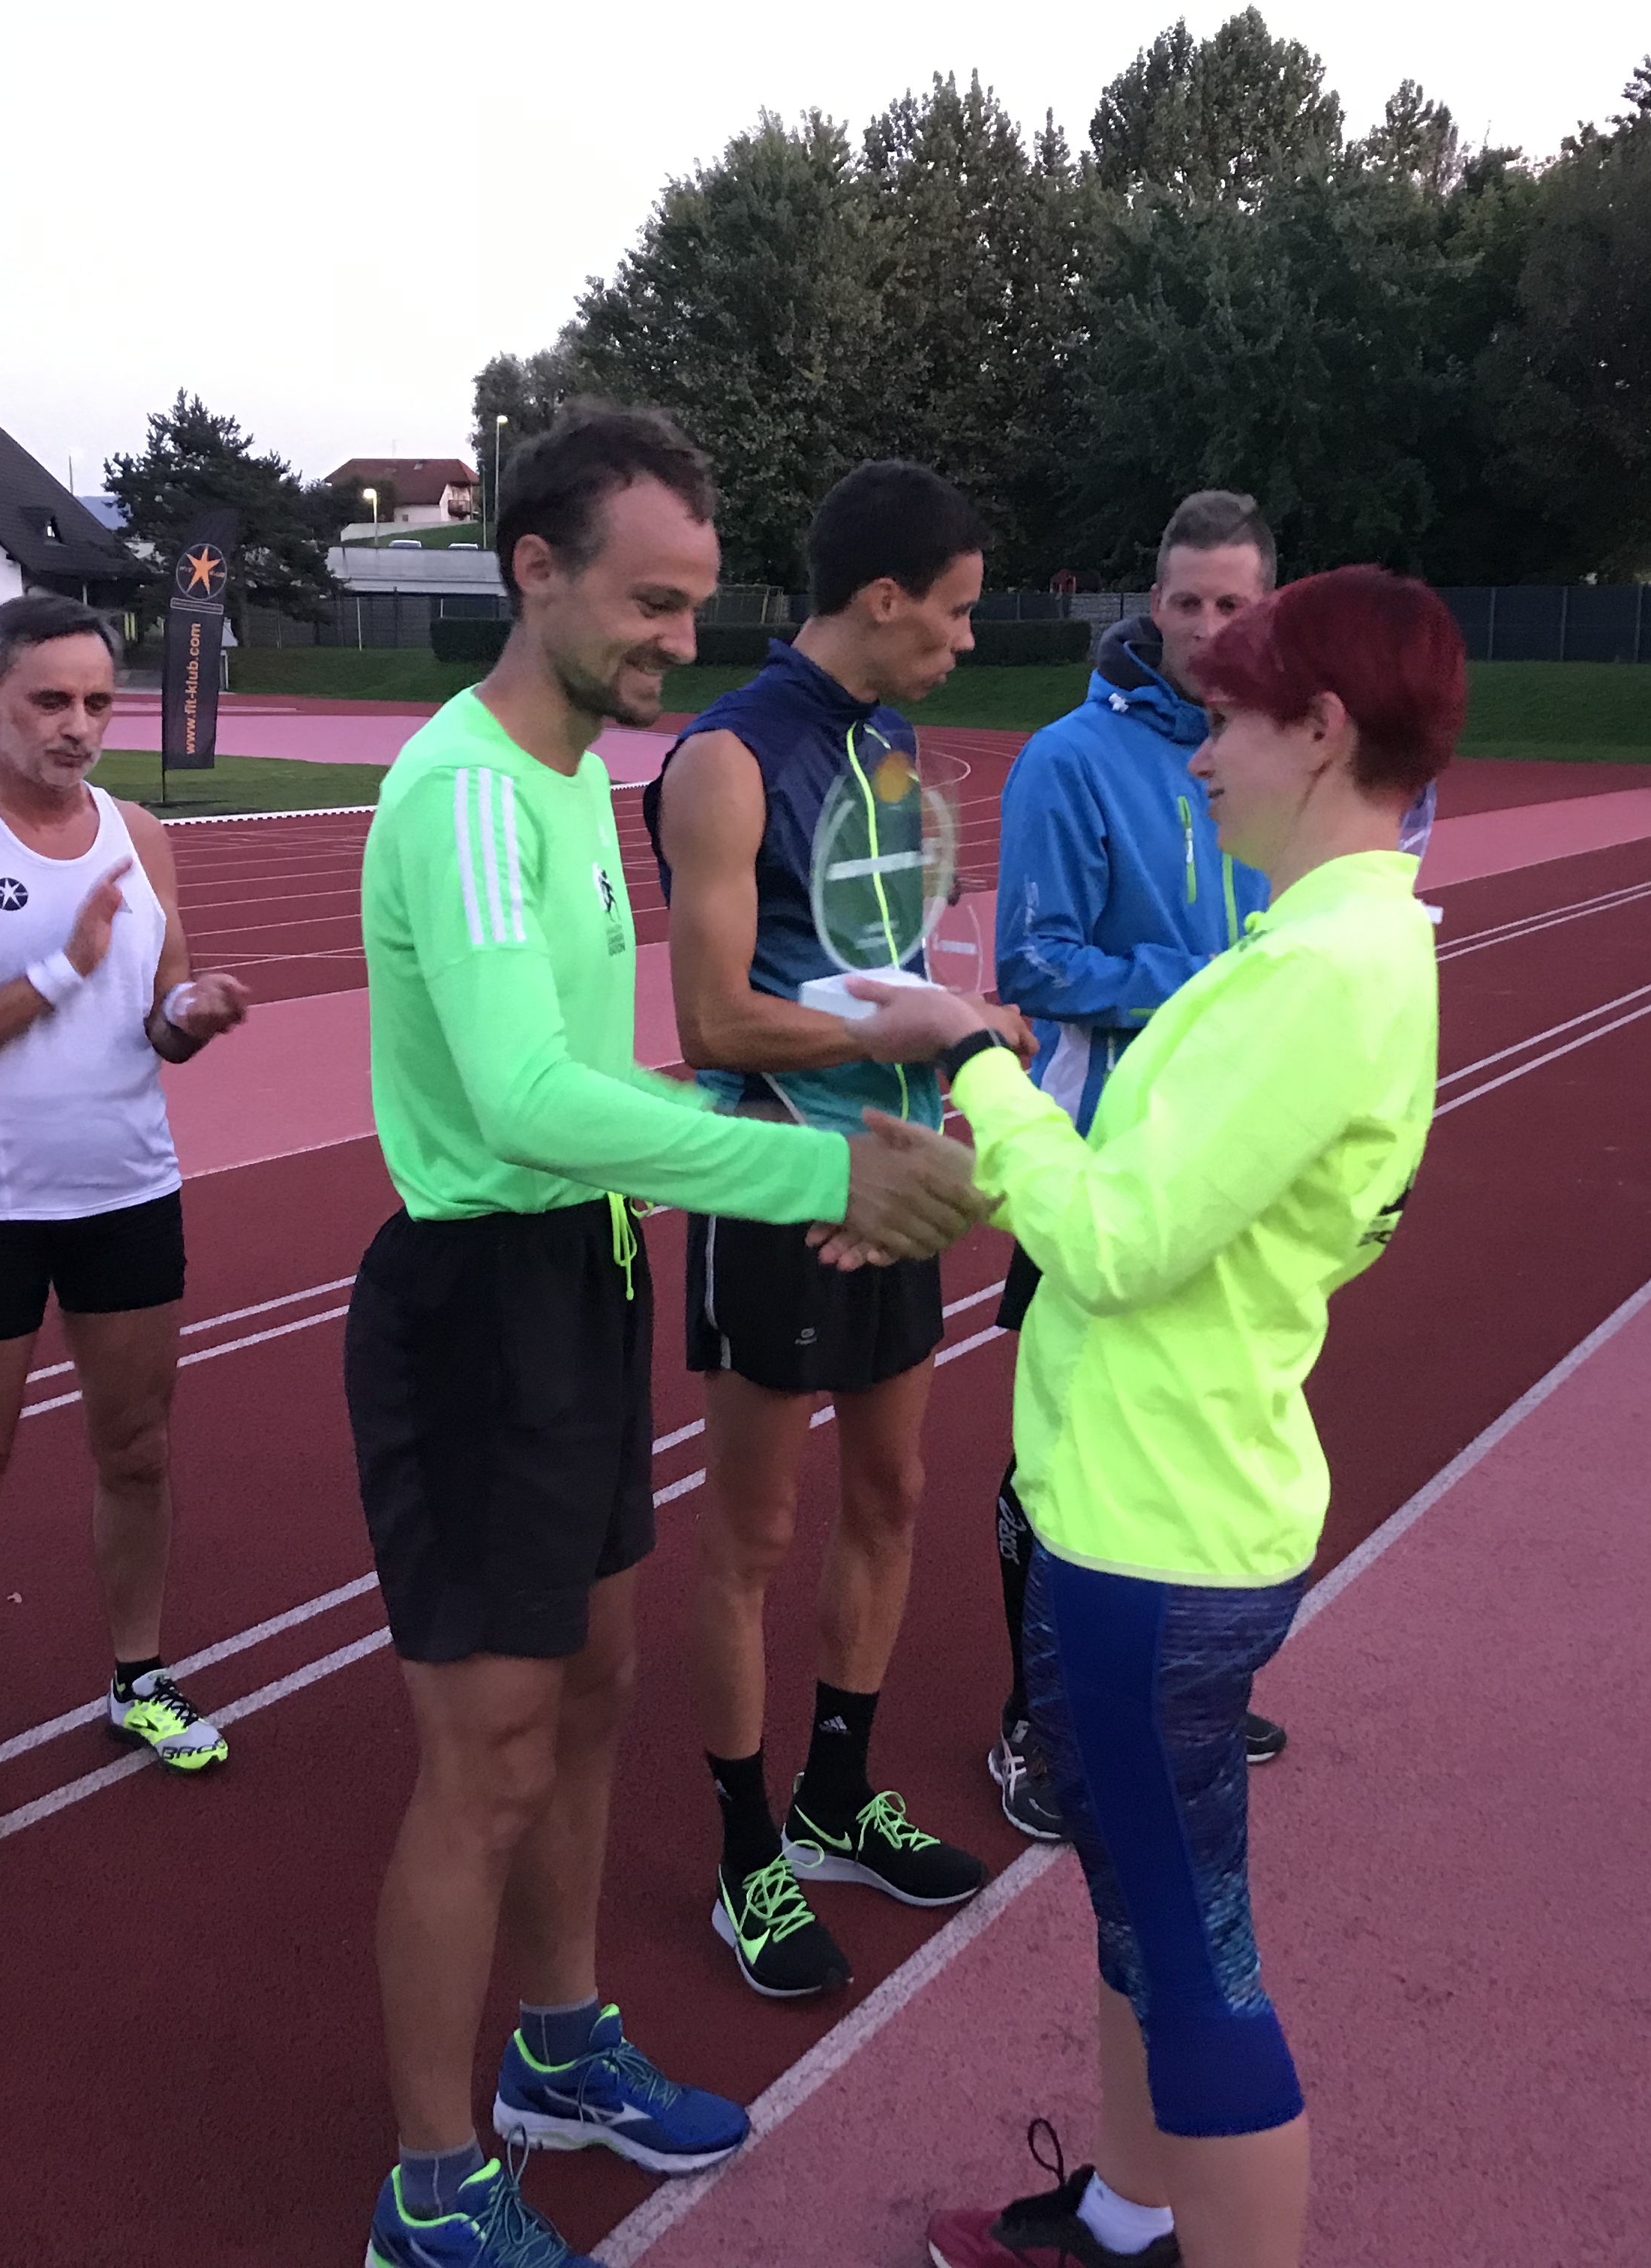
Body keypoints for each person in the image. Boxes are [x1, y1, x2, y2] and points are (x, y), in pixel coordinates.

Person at [343, 406, 986, 2268]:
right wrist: (819, 1172)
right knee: (487, 1762)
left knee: (592, 1697)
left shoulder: (560, 781)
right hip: (480, 1307)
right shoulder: (471, 792)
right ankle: (431, 2188)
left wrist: (773, 1128)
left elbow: (591, 1075)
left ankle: (560, 2049)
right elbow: (525, 1105)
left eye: (696, 603)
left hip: (584, 1279)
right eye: (648, 603)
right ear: (533, 570)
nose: (681, 642)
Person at [851, 566, 1463, 2268]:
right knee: (1145, 1908)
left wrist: (970, 1054)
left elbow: (1117, 1243)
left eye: (1230, 721)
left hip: (1156, 1526)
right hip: (1157, 1489)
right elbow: (1159, 1201)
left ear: (1320, 731)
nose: (1200, 758)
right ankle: (1128, 2217)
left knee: (1195, 1956)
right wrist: (967, 1179)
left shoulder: (1315, 977)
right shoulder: (1330, 951)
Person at [983, 492, 1392, 1841]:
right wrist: (1225, 984)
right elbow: (1037, 963)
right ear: (1149, 604)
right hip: (1102, 1143)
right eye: (1188, 603)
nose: (1211, 629)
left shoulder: (1292, 751)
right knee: (1060, 1447)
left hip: (1248, 1140)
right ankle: (1035, 1723)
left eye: (1237, 605)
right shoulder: (1069, 759)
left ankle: (1188, 1684)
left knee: (1214, 1411)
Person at [644, 460, 1000, 1999]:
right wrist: (917, 1033)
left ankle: (836, 1794)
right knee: (753, 1532)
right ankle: (747, 1854)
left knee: (894, 1489)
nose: (966, 641)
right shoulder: (725, 760)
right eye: (956, 612)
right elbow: (715, 1018)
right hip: (780, 1178)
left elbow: (886, 951)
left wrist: (944, 1053)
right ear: (883, 598)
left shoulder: (892, 745)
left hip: (898, 1170)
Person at [0, 593, 254, 1852]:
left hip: (127, 1186)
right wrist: (58, 967)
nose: (77, 725)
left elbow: (158, 1013)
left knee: (138, 1449)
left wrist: (193, 1013)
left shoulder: (139, 834)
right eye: (50, 700)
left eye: (96, 701)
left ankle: (137, 1674)